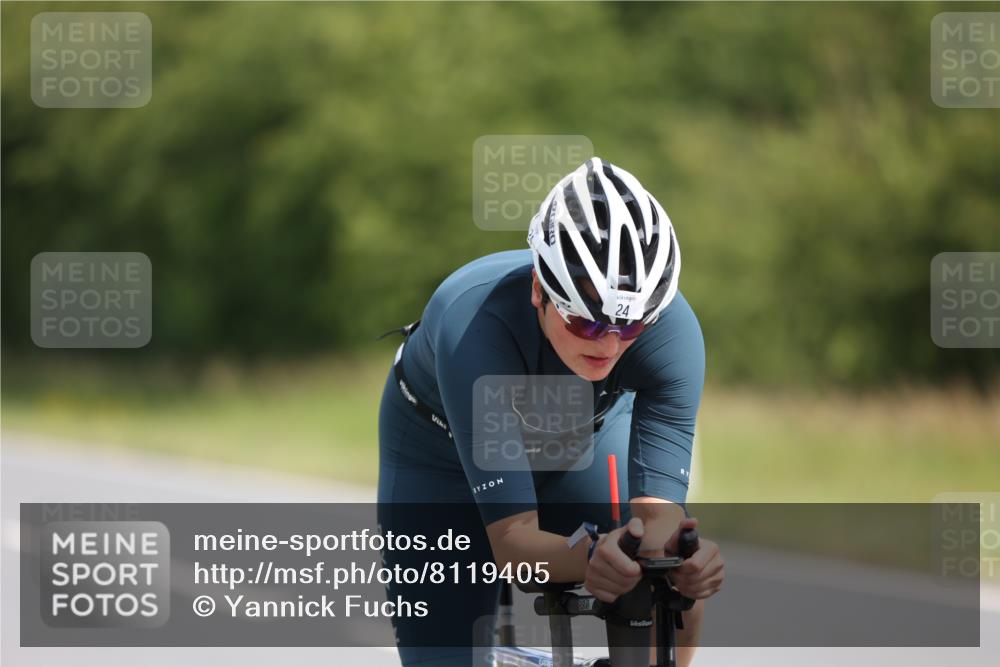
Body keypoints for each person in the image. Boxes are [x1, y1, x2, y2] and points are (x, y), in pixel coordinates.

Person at [377, 157, 724, 666]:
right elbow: (515, 546)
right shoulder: (475, 327)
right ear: (540, 290)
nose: (609, 345)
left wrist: (675, 559)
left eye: (630, 327)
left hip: (580, 437)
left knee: (664, 579)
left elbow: (658, 521)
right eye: (586, 323)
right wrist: (590, 556)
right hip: (441, 456)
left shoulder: (672, 334)